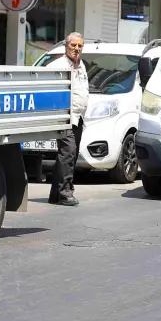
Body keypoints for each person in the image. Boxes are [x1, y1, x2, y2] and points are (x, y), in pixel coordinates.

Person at [50, 32, 89, 207]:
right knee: (68, 152)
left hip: (78, 118)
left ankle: (55, 194)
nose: (76, 49)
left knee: (69, 156)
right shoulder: (57, 65)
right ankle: (65, 193)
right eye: (73, 45)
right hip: (64, 117)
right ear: (66, 46)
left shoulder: (81, 66)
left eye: (79, 46)